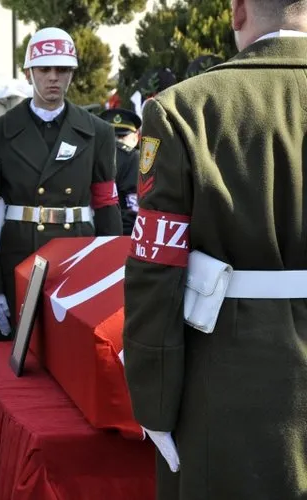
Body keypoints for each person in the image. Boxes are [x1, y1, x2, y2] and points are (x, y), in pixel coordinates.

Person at [123, 1, 307, 499]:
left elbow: (155, 270)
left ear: (237, 11)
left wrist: (154, 402)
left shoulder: (185, 109)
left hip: (228, 379)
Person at [0, 27, 121, 341]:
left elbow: (106, 204)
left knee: (73, 351)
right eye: (44, 69)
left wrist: (113, 274)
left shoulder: (98, 132)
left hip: (78, 255)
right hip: (20, 256)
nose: (53, 77)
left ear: (72, 75)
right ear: (28, 74)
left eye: (63, 69)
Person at [98, 108, 141, 234]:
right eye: (111, 136)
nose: (116, 142)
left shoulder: (133, 158)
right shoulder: (134, 157)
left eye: (122, 136)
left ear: (135, 138)